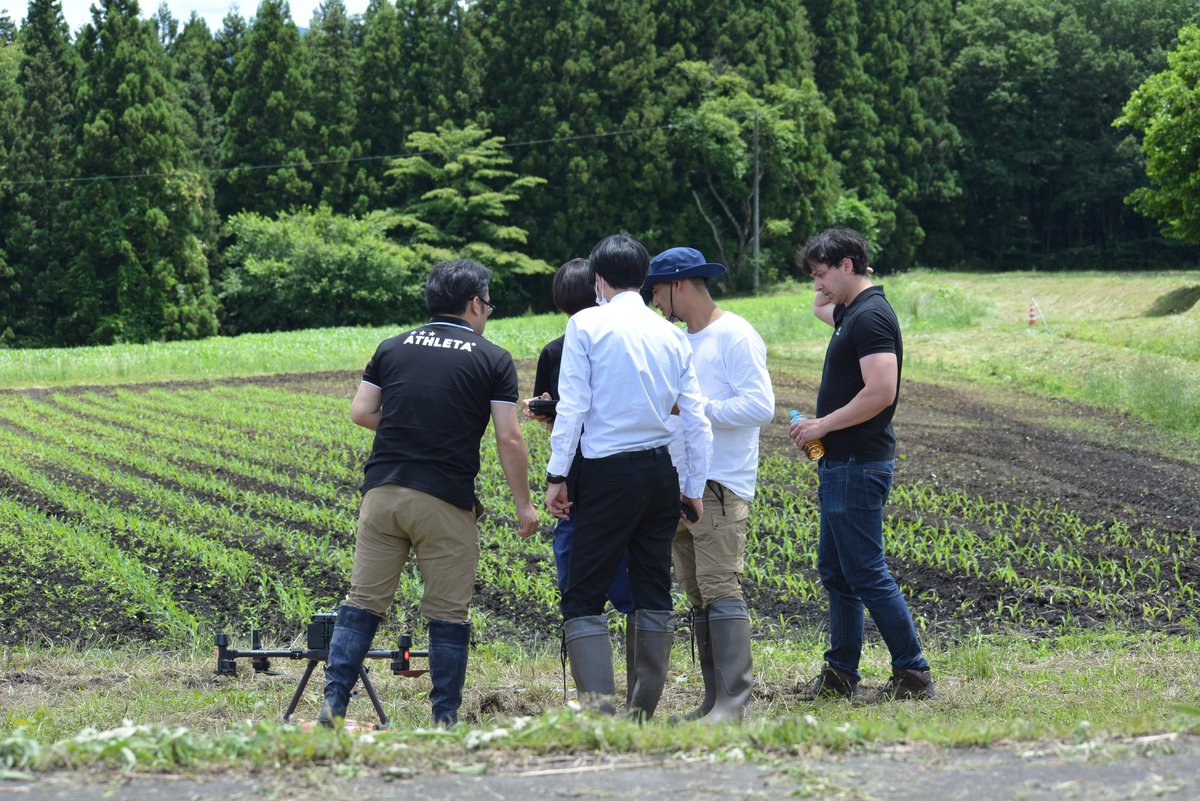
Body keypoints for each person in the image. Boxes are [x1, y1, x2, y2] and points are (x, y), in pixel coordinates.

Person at [320, 258, 540, 729]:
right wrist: (524, 504)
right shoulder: (492, 357)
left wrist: (410, 427)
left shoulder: (392, 346)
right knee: (447, 613)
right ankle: (444, 720)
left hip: (382, 493)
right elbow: (509, 438)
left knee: (362, 603)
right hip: (444, 499)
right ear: (475, 303)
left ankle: (332, 708)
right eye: (488, 305)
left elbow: (361, 412)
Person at [545, 234, 712, 720]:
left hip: (606, 474)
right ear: (643, 279)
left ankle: (600, 713)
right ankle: (641, 713)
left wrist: (557, 474)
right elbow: (696, 418)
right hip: (660, 473)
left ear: (598, 279)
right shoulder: (670, 334)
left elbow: (573, 407)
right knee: (651, 587)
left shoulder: (585, 324)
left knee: (583, 591)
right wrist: (693, 488)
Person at [789, 228, 935, 701]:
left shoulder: (869, 316)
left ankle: (912, 673)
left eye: (822, 273)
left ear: (847, 265)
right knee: (837, 572)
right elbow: (820, 305)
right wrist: (832, 283)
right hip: (842, 463)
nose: (818, 285)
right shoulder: (851, 311)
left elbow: (881, 392)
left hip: (856, 463)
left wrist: (822, 425)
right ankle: (841, 674)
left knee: (866, 572)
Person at [642, 246, 775, 723]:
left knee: (720, 587)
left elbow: (761, 406)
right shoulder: (679, 340)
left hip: (719, 485)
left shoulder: (735, 334)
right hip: (682, 486)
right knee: (697, 593)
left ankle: (734, 703)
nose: (654, 302)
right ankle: (713, 699)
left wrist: (696, 408)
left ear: (678, 285)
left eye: (657, 291)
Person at [524, 258, 636, 705]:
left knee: (576, 582)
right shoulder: (628, 339)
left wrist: (555, 467)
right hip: (625, 474)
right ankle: (639, 694)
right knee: (631, 583)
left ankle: (594, 698)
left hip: (576, 478)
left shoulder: (559, 347)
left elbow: (563, 417)